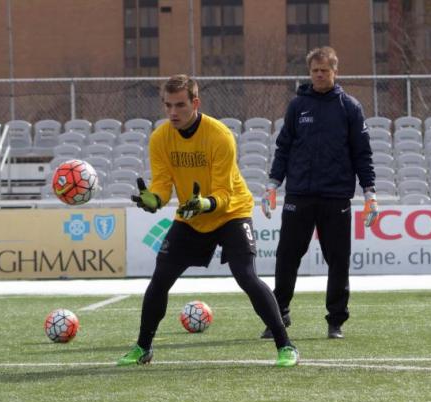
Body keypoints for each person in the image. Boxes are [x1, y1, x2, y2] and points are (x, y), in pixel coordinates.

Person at [118, 74, 299, 367]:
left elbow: (225, 193)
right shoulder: (160, 138)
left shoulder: (219, 135)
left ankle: (286, 345)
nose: (173, 113)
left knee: (246, 276)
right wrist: (155, 200)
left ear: (195, 103)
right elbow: (163, 185)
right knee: (160, 279)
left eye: (180, 105)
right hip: (191, 216)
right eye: (168, 105)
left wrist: (205, 203)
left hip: (231, 212)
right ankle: (143, 348)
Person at [260, 46, 378, 340]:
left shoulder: (349, 107)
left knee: (338, 259)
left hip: (336, 196)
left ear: (335, 71)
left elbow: (362, 153)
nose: (319, 75)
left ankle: (335, 320)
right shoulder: (297, 107)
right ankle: (280, 315)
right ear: (309, 72)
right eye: (315, 70)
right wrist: (273, 183)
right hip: (299, 194)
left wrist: (369, 192)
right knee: (287, 256)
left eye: (325, 70)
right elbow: (284, 147)